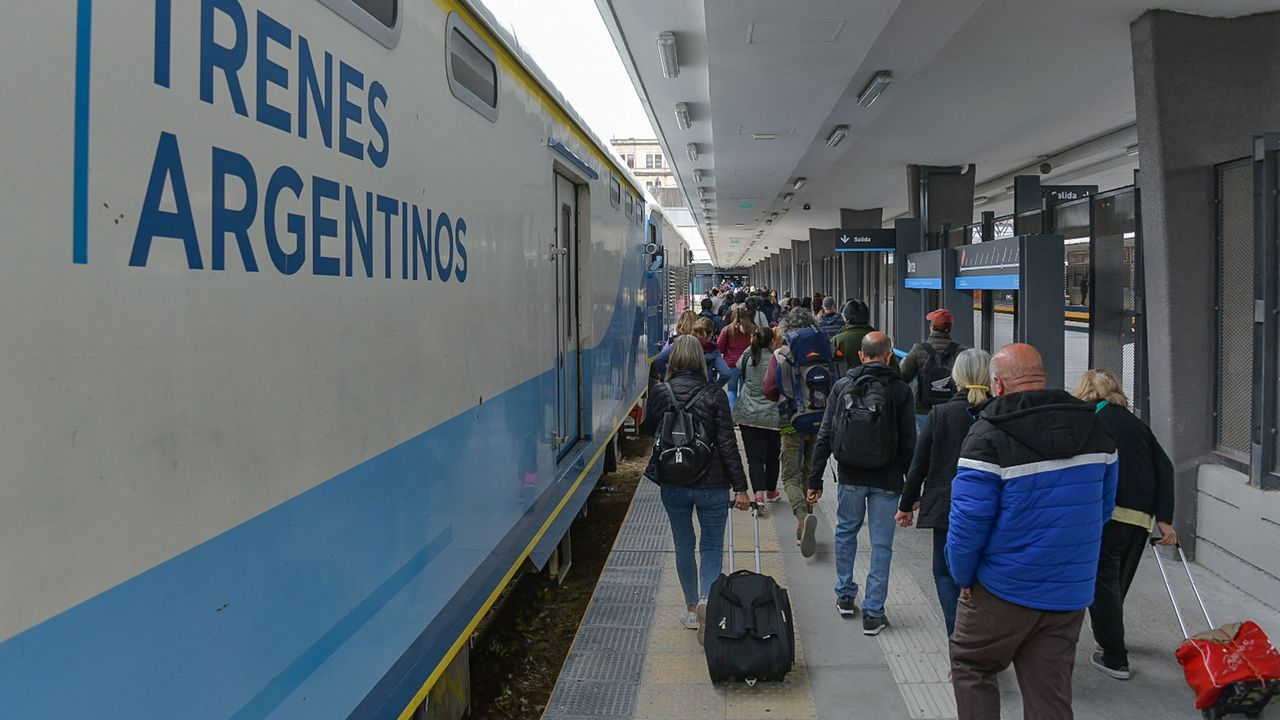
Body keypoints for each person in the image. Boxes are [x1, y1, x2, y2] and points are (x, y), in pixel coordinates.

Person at [946, 344, 1118, 720]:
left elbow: (968, 522)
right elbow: (1103, 509)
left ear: (997, 385)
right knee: (1049, 692)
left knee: (972, 665)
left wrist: (963, 576)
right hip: (1069, 590)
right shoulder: (1095, 428)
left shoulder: (986, 436)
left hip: (1003, 586)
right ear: (1043, 376)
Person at [807, 332, 916, 635]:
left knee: (845, 533)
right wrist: (911, 492)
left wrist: (815, 478)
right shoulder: (900, 390)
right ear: (889, 356)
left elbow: (825, 434)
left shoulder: (842, 385)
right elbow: (910, 443)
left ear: (861, 355)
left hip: (851, 475)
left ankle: (844, 595)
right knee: (881, 545)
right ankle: (873, 613)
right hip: (888, 479)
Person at [643, 335, 752, 630]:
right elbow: (727, 444)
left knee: (683, 543)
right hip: (712, 484)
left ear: (673, 359)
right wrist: (741, 487)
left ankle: (691, 609)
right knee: (712, 546)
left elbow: (649, 430)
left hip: (673, 481)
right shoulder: (714, 394)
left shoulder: (660, 392)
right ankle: (708, 602)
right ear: (702, 361)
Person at [1075, 368, 1177, 681]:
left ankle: (1115, 657)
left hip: (1109, 514)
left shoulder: (1091, 421)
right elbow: (1165, 467)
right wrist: (1165, 519)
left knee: (1102, 584)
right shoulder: (1136, 424)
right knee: (1116, 585)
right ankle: (1108, 632)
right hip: (1140, 518)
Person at [895, 349, 992, 637]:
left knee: (944, 572)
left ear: (956, 378)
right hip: (992, 508)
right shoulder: (1001, 413)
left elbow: (919, 465)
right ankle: (986, 636)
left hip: (947, 508)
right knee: (985, 573)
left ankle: (958, 637)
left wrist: (906, 504)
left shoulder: (941, 414)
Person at [762, 308, 823, 557]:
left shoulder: (781, 353)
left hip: (791, 421)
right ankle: (805, 525)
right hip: (820, 420)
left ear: (787, 328)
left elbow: (768, 389)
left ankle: (802, 516)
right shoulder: (824, 349)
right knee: (809, 472)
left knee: (790, 477)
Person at [734, 327, 783, 506]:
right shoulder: (777, 359)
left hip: (748, 413)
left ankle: (758, 496)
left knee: (754, 458)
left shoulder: (748, 357)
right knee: (772, 456)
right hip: (773, 414)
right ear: (771, 341)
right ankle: (771, 491)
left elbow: (737, 366)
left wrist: (751, 346)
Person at [900, 309, 967, 428]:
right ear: (950, 328)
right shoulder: (960, 351)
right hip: (952, 409)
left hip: (924, 410)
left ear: (932, 327)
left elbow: (903, 376)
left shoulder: (919, 349)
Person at [653, 318, 731, 385]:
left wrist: (669, 378)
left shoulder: (681, 344)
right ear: (711, 334)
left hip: (679, 385)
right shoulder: (713, 351)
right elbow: (726, 373)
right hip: (703, 389)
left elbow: (658, 360)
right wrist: (714, 387)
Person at [831, 300, 900, 375]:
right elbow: (896, 371)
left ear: (846, 319)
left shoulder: (836, 341)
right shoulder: (880, 339)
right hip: (879, 381)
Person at [717, 306, 756, 405]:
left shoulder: (727, 329)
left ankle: (732, 410)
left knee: (731, 390)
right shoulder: (752, 329)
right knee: (744, 391)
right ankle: (742, 411)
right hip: (747, 363)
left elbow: (719, 347)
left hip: (731, 364)